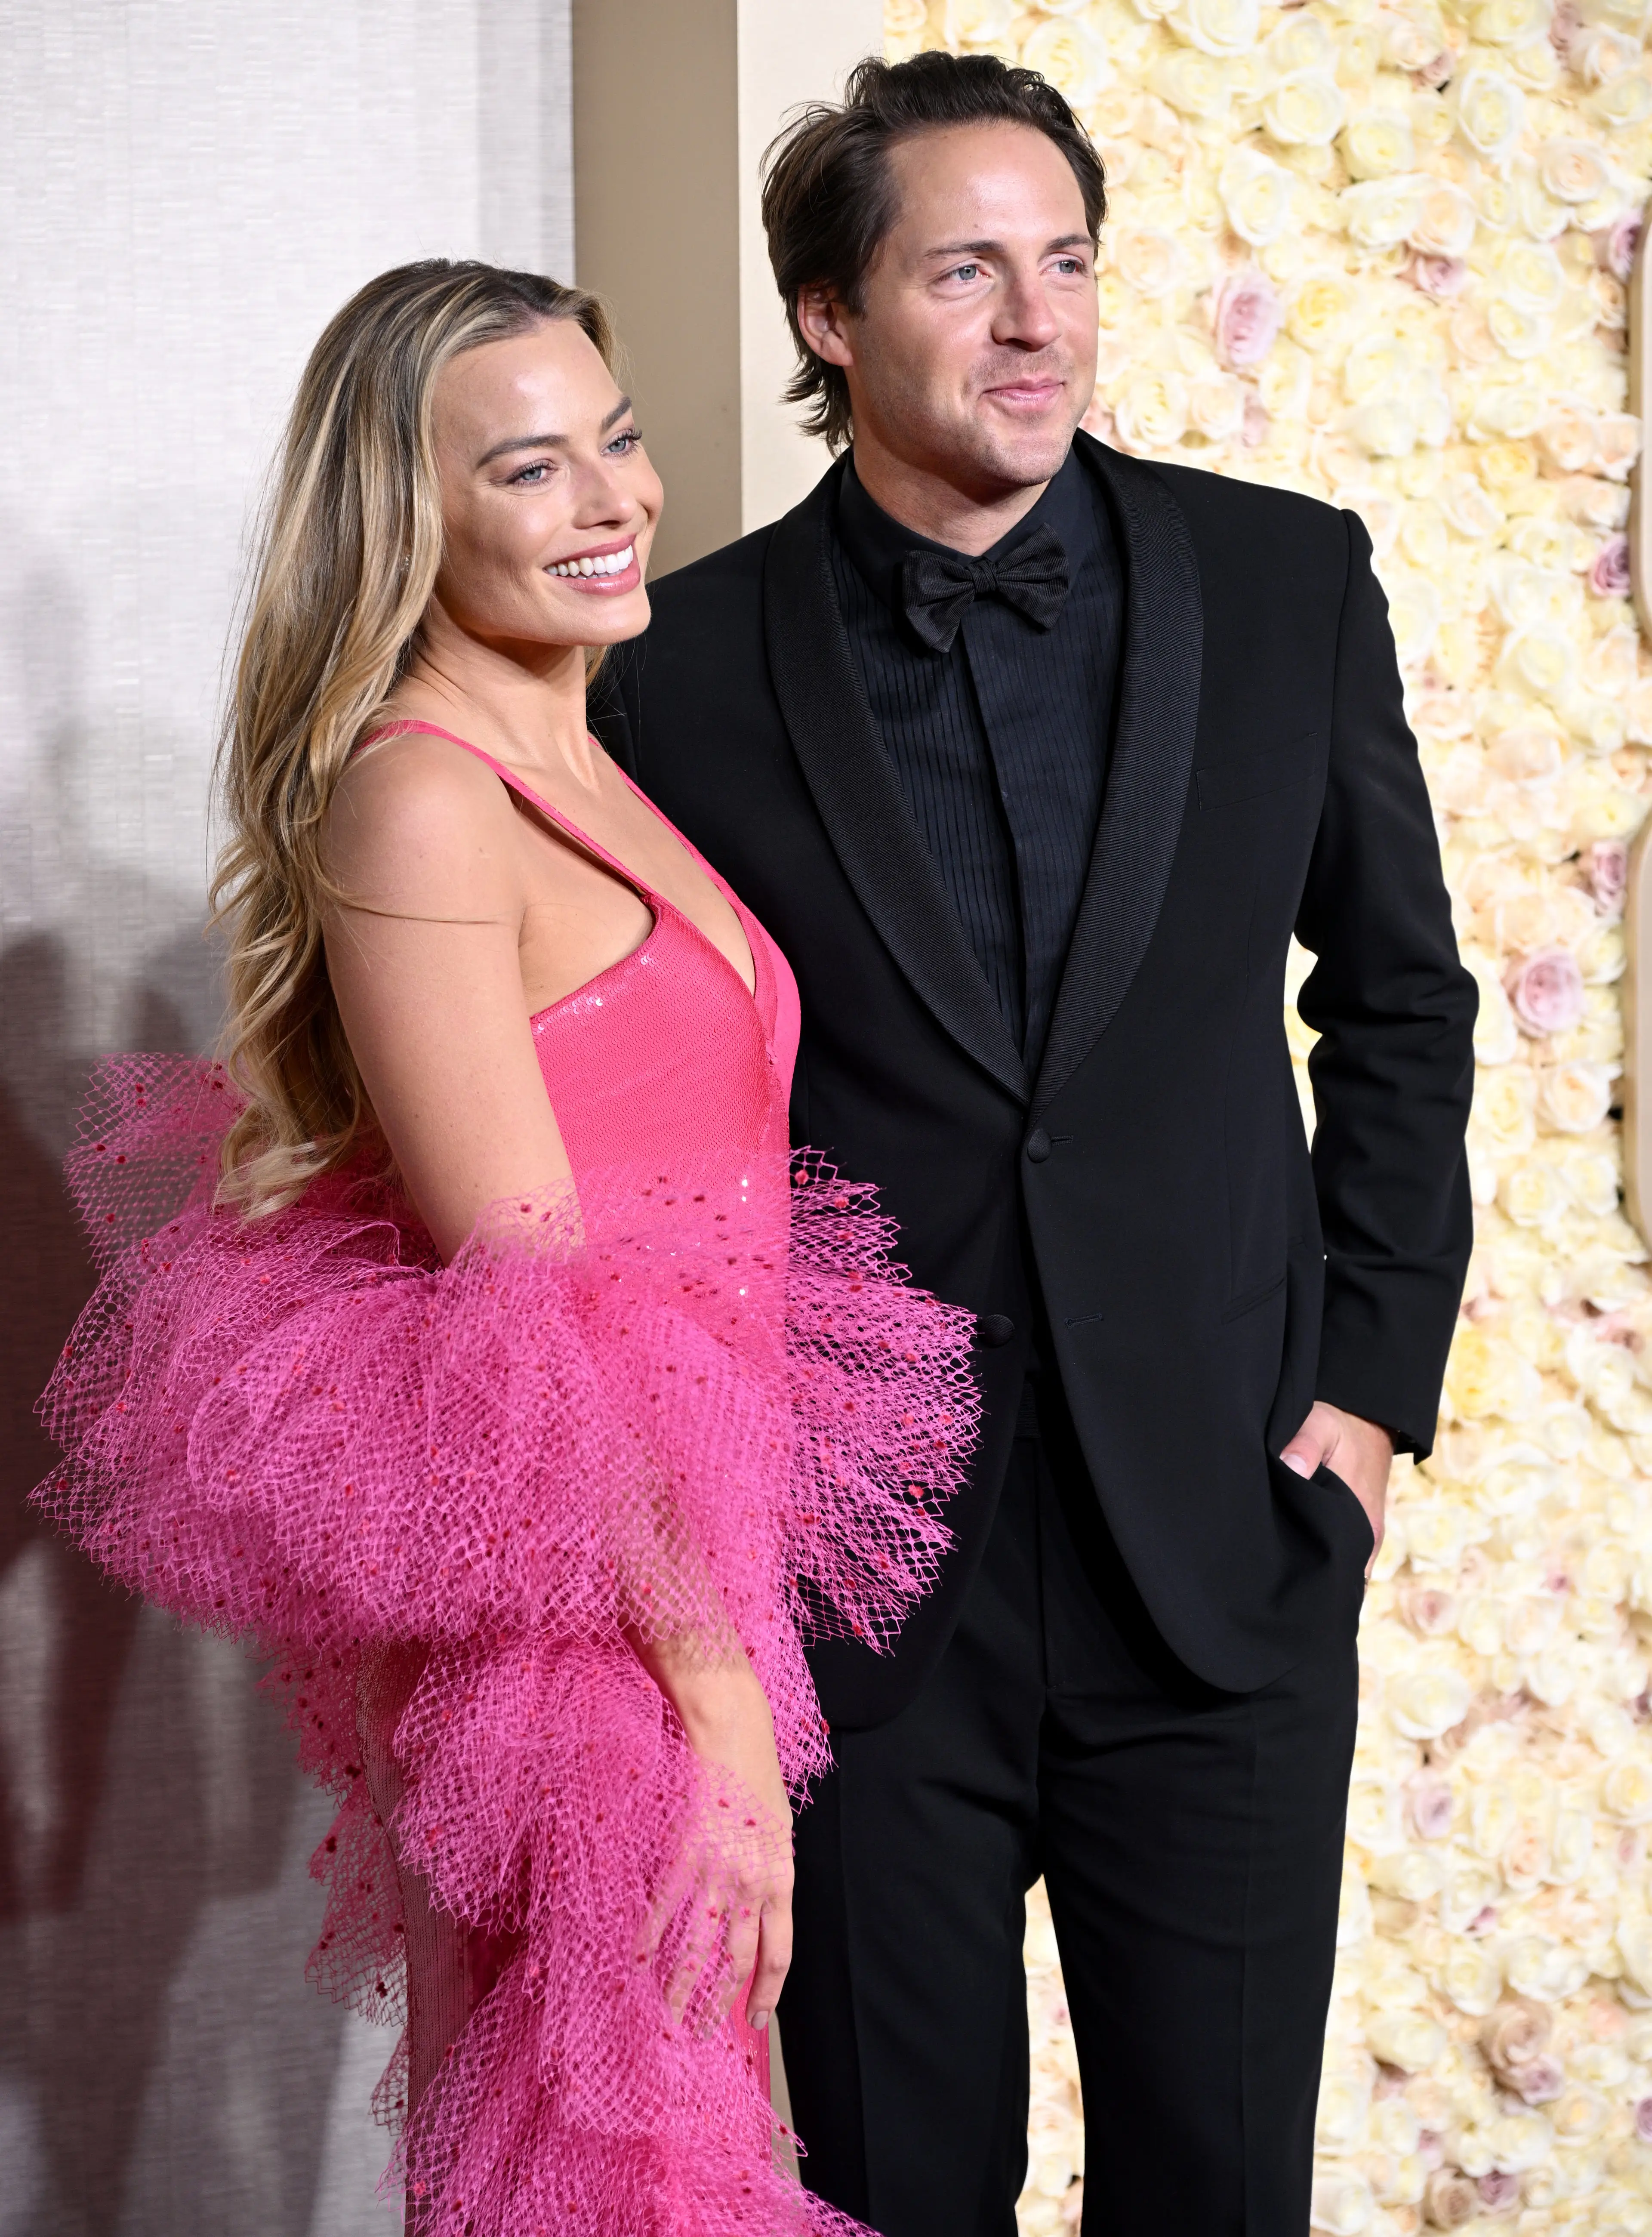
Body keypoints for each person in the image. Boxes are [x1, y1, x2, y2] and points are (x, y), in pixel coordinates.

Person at [590, 51, 1478, 2237]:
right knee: (898, 2192)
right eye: (965, 269)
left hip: (1231, 1551)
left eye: (1066, 260)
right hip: (866, 1581)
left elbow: (1398, 1002)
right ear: (828, 316)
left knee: (1219, 2194)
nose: (1037, 320)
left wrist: (1365, 1398)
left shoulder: (1289, 585)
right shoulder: (672, 673)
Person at [34, 260, 979, 2237]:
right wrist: (717, 1700)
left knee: (670, 2148)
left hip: (669, 1586)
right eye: (533, 470)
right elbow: (532, 1301)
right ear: (414, 517)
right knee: (620, 2178)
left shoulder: (587, 759)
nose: (612, 499)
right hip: (581, 1636)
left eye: (615, 441)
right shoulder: (422, 803)